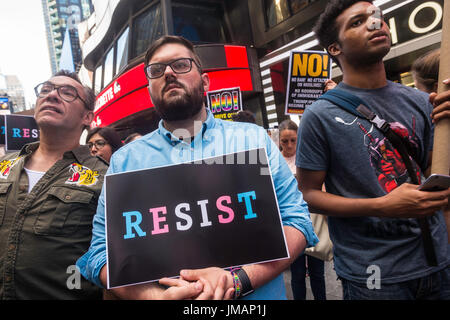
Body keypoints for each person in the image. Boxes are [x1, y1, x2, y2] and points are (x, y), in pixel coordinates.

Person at [76, 35, 318, 300]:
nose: (168, 72)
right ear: (149, 89)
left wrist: (238, 281)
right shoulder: (125, 162)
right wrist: (154, 297)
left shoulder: (253, 140)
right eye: (156, 70)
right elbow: (100, 254)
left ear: (204, 81)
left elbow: (297, 222)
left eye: (180, 64)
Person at [296, 0, 450, 300]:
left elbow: (434, 174)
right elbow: (308, 194)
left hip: (437, 263)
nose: (375, 23)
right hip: (375, 277)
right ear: (334, 49)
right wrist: (381, 206)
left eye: (376, 16)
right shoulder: (319, 115)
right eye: (357, 22)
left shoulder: (420, 101)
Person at [0, 70, 108, 299]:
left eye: (67, 93)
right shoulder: (3, 166)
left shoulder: (103, 175)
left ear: (87, 117)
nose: (51, 96)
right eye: (46, 90)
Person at [279, 119, 327, 300]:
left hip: (313, 220)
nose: (289, 145)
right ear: (279, 141)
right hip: (290, 224)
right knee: (297, 275)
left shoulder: (308, 157)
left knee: (317, 273)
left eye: (293, 140)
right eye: (285, 141)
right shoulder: (275, 161)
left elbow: (321, 185)